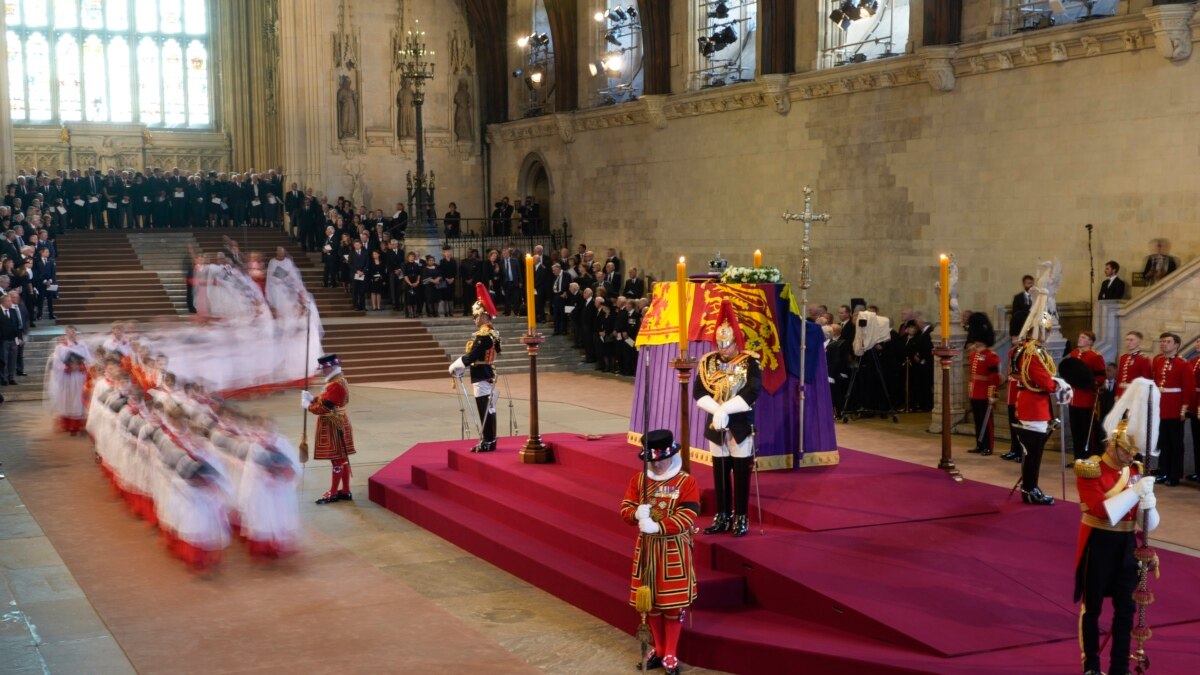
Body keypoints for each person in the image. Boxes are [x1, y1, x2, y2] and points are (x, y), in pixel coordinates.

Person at [1074, 380, 1160, 675]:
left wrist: (1149, 503)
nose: (1131, 457)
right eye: (1126, 451)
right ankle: (1091, 666)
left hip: (1126, 547)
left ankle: (1119, 667)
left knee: (1126, 611)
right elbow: (1103, 512)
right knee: (1093, 607)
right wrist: (1135, 493)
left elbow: (1145, 523)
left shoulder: (1134, 472)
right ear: (1112, 443)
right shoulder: (1090, 469)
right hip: (1098, 543)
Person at [620, 429, 698, 675]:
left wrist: (659, 526)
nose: (658, 464)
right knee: (650, 604)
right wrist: (634, 514)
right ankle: (661, 649)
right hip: (646, 550)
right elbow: (626, 507)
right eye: (653, 461)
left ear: (671, 455)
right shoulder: (639, 480)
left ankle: (672, 654)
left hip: (673, 549)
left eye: (662, 459)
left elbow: (689, 514)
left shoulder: (686, 481)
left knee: (672, 606)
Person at [693, 301, 761, 537]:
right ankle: (722, 515)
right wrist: (716, 410)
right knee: (720, 471)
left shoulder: (749, 362)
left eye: (728, 344)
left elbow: (752, 391)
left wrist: (726, 409)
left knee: (741, 472)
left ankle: (741, 516)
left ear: (737, 341)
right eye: (720, 344)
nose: (723, 349)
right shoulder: (708, 361)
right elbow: (699, 392)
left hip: (740, 422)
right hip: (716, 423)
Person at [1012, 277, 1073, 505]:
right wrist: (1060, 384)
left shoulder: (1021, 349)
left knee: (1032, 454)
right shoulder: (1033, 353)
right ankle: (1030, 489)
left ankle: (1030, 488)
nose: (1047, 336)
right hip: (1034, 408)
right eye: (1045, 331)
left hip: (1027, 404)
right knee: (1033, 454)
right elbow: (1045, 383)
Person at [448, 284, 502, 453]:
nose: (474, 320)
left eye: (476, 316)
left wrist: (456, 365)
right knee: (489, 408)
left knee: (484, 408)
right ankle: (490, 440)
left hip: (481, 374)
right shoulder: (493, 333)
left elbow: (473, 355)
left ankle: (488, 440)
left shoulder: (483, 335)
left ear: (484, 317)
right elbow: (496, 350)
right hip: (486, 372)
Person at [303, 354, 356, 505]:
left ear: (331, 367)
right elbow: (327, 400)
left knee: (337, 460)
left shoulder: (335, 384)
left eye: (325, 369)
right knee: (342, 459)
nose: (323, 372)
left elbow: (324, 407)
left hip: (334, 424)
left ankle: (333, 493)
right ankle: (345, 491)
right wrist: (312, 399)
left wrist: (308, 405)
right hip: (339, 421)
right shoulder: (337, 381)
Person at [1151, 333, 1194, 486]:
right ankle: (1163, 471)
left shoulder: (1183, 364)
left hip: (1175, 408)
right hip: (1161, 407)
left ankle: (1174, 474)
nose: (1163, 344)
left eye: (1167, 342)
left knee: (1175, 443)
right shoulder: (1158, 360)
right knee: (1162, 441)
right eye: (1162, 341)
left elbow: (1188, 389)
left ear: (1176, 345)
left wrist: (1183, 410)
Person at [1065, 331, 1107, 461]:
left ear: (1090, 342)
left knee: (1086, 430)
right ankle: (1077, 457)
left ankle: (1089, 457)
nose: (1080, 339)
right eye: (1080, 337)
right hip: (1073, 398)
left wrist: (1089, 383)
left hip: (1086, 399)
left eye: (1083, 337)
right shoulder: (1074, 354)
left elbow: (1101, 376)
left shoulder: (1095, 357)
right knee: (1075, 429)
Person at [966, 329, 1001, 456]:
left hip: (985, 392)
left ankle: (988, 446)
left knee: (987, 422)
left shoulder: (991, 356)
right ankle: (979, 444)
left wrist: (992, 394)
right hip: (975, 392)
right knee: (978, 420)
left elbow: (994, 377)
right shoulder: (973, 354)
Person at [1115, 331, 1152, 398]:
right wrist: (1117, 394)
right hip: (1121, 392)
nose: (1128, 342)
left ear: (1138, 342)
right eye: (1127, 340)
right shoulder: (1123, 357)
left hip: (1134, 393)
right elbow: (1119, 378)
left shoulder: (1143, 359)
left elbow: (1146, 380)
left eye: (1131, 340)